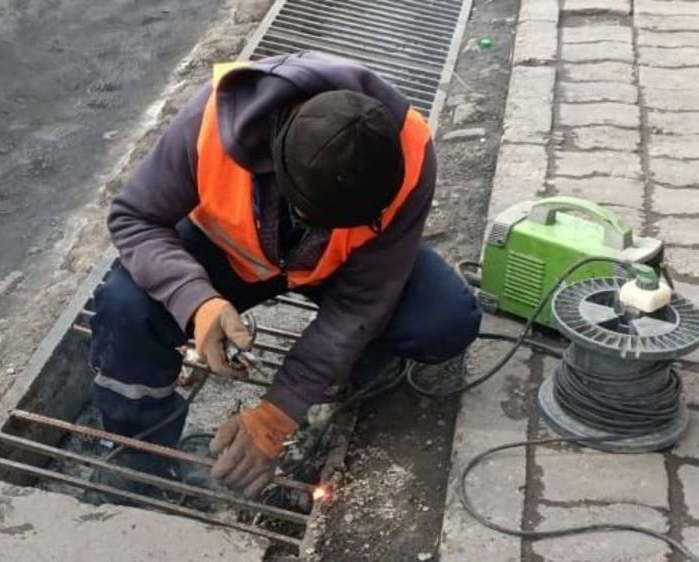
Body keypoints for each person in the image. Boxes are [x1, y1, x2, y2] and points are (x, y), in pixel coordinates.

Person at [88, 50, 481, 500]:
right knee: (126, 304)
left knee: (443, 320)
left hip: (336, 268)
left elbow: (361, 301)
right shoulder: (212, 120)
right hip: (230, 250)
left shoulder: (411, 152)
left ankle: (353, 383)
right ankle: (138, 460)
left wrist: (280, 412)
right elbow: (133, 218)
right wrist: (196, 299)